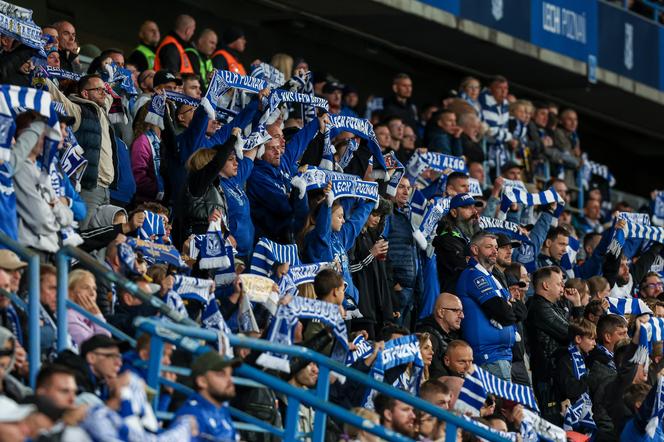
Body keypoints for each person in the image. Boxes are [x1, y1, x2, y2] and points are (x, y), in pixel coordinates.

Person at [46, 74, 118, 228]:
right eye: (98, 90)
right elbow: (58, 98)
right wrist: (43, 78)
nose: (103, 93)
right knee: (81, 235)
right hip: (89, 187)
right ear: (85, 93)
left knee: (97, 240)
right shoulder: (79, 111)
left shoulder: (102, 109)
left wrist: (113, 81)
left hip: (106, 189)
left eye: (104, 90)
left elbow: (110, 95)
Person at [247, 114, 327, 243]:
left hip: (289, 236)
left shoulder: (281, 162)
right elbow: (286, 208)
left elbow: (298, 142)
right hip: (269, 243)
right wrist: (296, 194)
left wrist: (316, 123)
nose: (278, 151)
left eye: (278, 147)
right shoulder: (257, 176)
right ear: (260, 151)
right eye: (273, 148)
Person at [526, 266, 583, 424]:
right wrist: (577, 308)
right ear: (546, 285)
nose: (563, 287)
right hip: (547, 377)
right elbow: (572, 334)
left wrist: (576, 304)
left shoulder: (553, 305)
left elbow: (576, 331)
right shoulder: (539, 307)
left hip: (556, 375)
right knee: (552, 424)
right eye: (559, 284)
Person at [456, 231, 516, 380]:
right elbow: (504, 313)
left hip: (503, 356)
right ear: (475, 250)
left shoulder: (491, 277)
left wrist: (509, 307)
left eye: (496, 247)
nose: (495, 251)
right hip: (489, 358)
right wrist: (508, 306)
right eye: (489, 247)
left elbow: (519, 311)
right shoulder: (473, 275)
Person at [175, 351, 239, 442]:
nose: (229, 380)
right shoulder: (192, 416)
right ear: (202, 381)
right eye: (221, 374)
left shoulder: (221, 409)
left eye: (230, 374)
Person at [385, 177, 422, 327]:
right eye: (401, 187)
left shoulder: (409, 216)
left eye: (408, 188)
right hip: (398, 288)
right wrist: (393, 283)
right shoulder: (388, 215)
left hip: (412, 289)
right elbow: (382, 249)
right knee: (395, 336)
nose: (406, 191)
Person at [587, 314, 628, 441]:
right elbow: (603, 413)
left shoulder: (611, 359)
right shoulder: (600, 366)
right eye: (621, 334)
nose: (627, 337)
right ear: (608, 337)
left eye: (626, 333)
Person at [432, 193, 482, 293]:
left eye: (474, 207)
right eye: (467, 207)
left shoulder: (467, 238)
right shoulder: (446, 239)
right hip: (453, 299)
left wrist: (477, 232)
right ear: (454, 212)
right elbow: (466, 270)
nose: (474, 212)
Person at [416, 293, 463, 379]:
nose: (462, 316)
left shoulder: (454, 335)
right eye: (456, 311)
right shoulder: (428, 336)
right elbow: (437, 375)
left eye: (461, 312)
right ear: (441, 312)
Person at [479, 76, 516, 175]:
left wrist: (507, 137)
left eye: (506, 88)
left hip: (500, 151)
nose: (504, 92)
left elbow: (503, 129)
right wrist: (509, 137)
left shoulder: (505, 103)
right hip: (485, 148)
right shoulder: (484, 100)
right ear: (490, 89)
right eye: (500, 88)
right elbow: (491, 130)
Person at [66, 270, 111, 348]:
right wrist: (97, 315)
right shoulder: (68, 315)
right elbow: (103, 345)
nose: (92, 293)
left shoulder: (88, 315)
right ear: (71, 293)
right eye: (86, 287)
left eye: (94, 289)